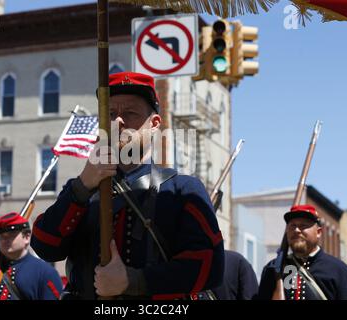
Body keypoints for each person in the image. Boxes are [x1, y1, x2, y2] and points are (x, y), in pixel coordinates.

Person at [31, 71, 225, 299]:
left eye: (130, 113)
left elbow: (210, 266)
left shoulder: (182, 190)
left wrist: (134, 281)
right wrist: (83, 186)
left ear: (153, 124)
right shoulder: (80, 191)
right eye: (111, 113)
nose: (118, 121)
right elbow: (45, 246)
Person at [257, 204, 347, 300]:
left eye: (303, 226)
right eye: (292, 226)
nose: (297, 230)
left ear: (318, 232)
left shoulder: (339, 271)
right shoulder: (273, 269)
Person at [0, 212, 63, 300]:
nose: (4, 240)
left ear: (27, 237)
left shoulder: (44, 273)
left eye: (11, 235)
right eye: (2, 236)